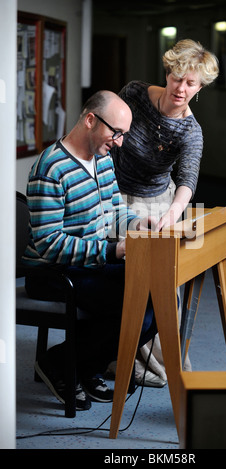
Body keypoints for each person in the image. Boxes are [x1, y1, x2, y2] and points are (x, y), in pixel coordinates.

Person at [22, 90, 157, 411]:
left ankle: (82, 367)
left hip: (89, 264)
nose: (120, 142)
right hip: (51, 272)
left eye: (124, 134)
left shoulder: (103, 158)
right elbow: (49, 244)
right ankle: (58, 363)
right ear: (90, 120)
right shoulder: (51, 169)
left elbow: (113, 210)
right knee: (130, 304)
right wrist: (114, 252)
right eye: (117, 132)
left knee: (153, 295)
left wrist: (138, 224)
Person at [111, 39, 219, 387]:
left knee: (159, 284)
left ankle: (153, 357)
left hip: (157, 204)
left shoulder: (191, 131)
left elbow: (187, 179)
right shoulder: (135, 94)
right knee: (116, 278)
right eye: (177, 78)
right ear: (168, 72)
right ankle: (114, 356)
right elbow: (107, 131)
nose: (181, 88)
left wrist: (172, 214)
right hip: (112, 194)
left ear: (200, 87)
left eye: (191, 83)